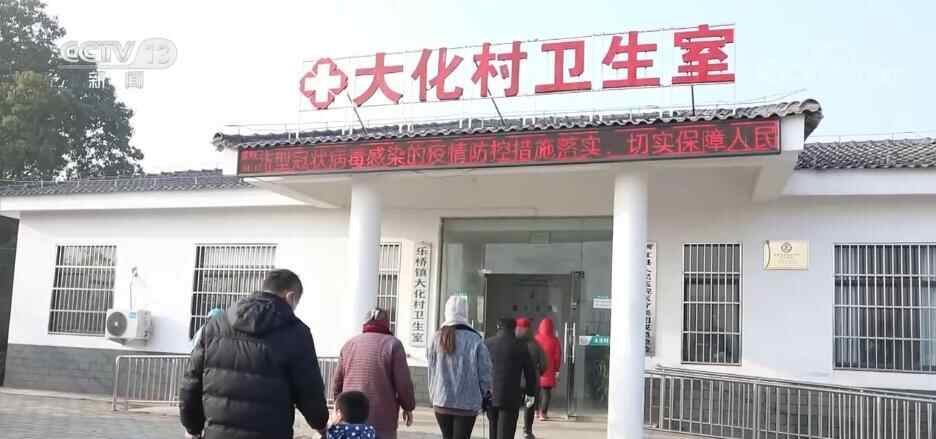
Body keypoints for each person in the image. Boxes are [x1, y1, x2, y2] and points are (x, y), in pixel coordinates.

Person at [179, 269, 329, 439]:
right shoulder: (297, 333)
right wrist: (321, 425)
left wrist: (192, 428)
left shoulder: (215, 325)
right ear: (291, 297)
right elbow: (309, 390)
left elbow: (192, 383)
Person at [332, 308, 416, 439]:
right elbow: (403, 384)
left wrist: (339, 409)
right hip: (382, 421)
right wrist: (408, 406)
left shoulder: (349, 344)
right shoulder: (393, 345)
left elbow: (337, 383)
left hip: (350, 420)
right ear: (386, 323)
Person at [427, 296, 492, 439]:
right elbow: (485, 373)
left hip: (441, 400)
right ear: (465, 313)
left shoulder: (436, 337)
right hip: (467, 403)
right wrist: (484, 394)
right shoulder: (475, 339)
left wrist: (433, 394)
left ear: (446, 312)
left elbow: (431, 370)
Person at [484, 317, 538, 439]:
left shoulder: (488, 343)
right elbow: (530, 372)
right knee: (506, 433)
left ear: (498, 327)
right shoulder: (521, 346)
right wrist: (530, 393)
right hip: (511, 397)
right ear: (514, 328)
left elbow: (480, 369)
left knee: (493, 429)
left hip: (491, 395)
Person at [516, 317, 547, 439]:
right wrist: (539, 373)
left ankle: (510, 429)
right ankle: (527, 431)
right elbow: (544, 364)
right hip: (532, 382)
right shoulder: (536, 345)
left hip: (516, 382)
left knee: (513, 407)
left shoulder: (514, 344)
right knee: (529, 406)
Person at [534, 317, 561, 420]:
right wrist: (556, 369)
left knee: (535, 392)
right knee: (546, 393)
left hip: (536, 370)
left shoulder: (535, 339)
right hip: (548, 370)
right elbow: (557, 357)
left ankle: (536, 412)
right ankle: (543, 413)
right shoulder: (555, 340)